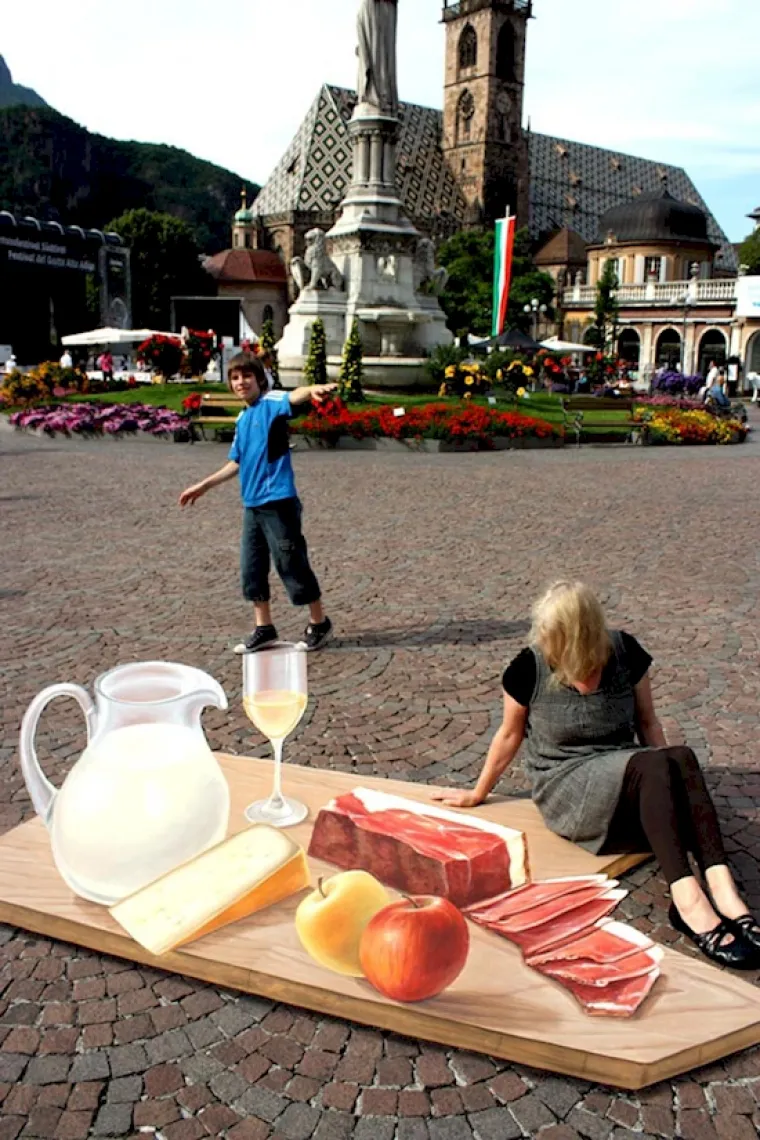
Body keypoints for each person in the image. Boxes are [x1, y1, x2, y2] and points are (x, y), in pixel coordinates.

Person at [431, 581, 760, 970]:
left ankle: (725, 894)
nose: (548, 641)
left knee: (679, 757)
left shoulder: (624, 653)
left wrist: (671, 783)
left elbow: (648, 722)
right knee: (654, 764)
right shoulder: (528, 667)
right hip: (568, 785)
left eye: (558, 635)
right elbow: (508, 736)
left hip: (625, 772)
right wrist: (477, 793)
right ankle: (688, 902)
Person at [178, 352, 336, 653]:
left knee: (291, 563)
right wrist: (204, 485)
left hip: (278, 503)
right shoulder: (243, 418)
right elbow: (236, 462)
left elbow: (294, 397)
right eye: (235, 378)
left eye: (246, 376)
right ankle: (264, 628)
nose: (241, 382)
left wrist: (312, 389)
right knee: (251, 567)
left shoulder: (270, 404)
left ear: (259, 378)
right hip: (252, 506)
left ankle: (319, 623)